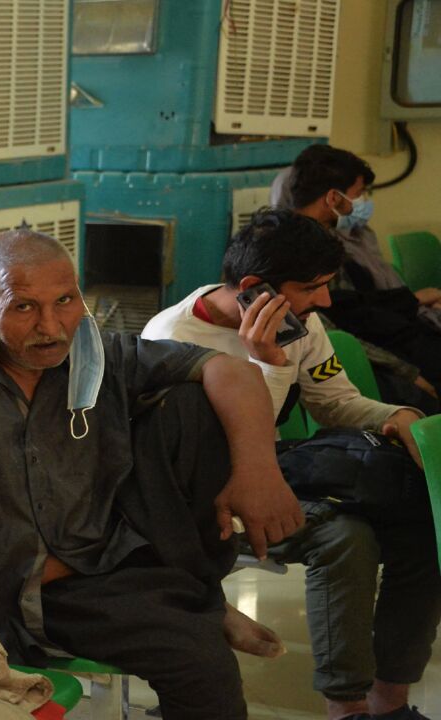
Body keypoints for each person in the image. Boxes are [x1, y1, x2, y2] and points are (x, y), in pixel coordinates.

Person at [0, 229, 305, 720]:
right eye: (24, 308)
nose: (52, 326)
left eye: (65, 300)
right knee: (198, 661)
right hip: (12, 594)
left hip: (109, 564)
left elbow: (231, 370)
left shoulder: (88, 347)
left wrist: (258, 472)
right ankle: (199, 608)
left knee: (193, 401)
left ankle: (196, 593)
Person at [143, 208, 440, 720]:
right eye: (312, 287)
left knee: (420, 523)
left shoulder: (300, 323)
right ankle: (346, 706)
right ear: (256, 287)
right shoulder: (170, 340)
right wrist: (268, 366)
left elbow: (335, 401)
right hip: (201, 491)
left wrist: (400, 416)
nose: (323, 300)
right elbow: (236, 445)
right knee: (345, 536)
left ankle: (390, 699)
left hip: (273, 470)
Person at [277, 144, 441, 395]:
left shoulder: (325, 240)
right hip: (372, 363)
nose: (362, 202)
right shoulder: (303, 252)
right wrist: (406, 372)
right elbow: (337, 334)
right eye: (359, 193)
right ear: (333, 198)